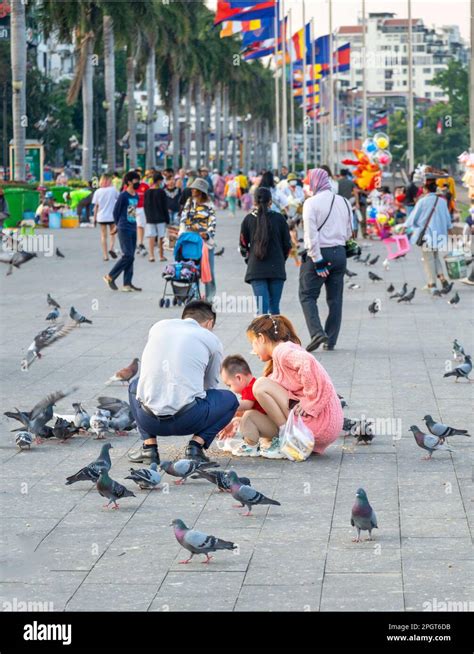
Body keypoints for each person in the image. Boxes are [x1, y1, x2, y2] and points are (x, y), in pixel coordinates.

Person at [127, 300, 239, 465]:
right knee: (230, 400)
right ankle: (195, 447)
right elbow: (210, 386)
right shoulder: (211, 339)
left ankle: (149, 448)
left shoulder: (158, 327)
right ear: (210, 323)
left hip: (148, 419)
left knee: (135, 386)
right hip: (188, 420)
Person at [240, 314, 343, 459]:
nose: (253, 350)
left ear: (261, 338)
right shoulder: (284, 353)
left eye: (253, 343)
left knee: (260, 385)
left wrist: (309, 401)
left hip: (319, 420)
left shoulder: (282, 351)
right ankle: (285, 437)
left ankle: (287, 439)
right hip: (325, 425)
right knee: (250, 414)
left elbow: (307, 363)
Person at [299, 168, 353, 352]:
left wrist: (317, 258)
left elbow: (310, 235)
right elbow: (348, 233)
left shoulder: (311, 203)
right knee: (335, 299)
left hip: (320, 254)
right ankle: (331, 340)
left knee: (307, 295)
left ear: (314, 182)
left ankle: (316, 332)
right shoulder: (344, 202)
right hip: (340, 254)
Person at [240, 187, 291, 315]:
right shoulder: (280, 219)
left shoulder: (248, 220)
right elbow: (287, 245)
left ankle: (261, 335)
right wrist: (281, 258)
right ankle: (275, 334)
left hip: (256, 268)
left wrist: (249, 258)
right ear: (270, 202)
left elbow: (242, 245)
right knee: (274, 309)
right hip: (277, 268)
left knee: (262, 310)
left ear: (254, 202)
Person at [404, 178, 452, 294]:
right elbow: (447, 219)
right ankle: (442, 278)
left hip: (427, 235)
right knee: (435, 256)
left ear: (426, 189)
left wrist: (405, 226)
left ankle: (432, 284)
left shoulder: (423, 201)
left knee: (428, 259)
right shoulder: (442, 201)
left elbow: (413, 217)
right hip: (438, 235)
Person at [219, 354, 267, 457]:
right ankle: (251, 441)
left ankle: (251, 445)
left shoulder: (251, 387)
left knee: (248, 415)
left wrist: (226, 404)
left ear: (239, 378)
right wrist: (233, 420)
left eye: (229, 385)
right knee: (244, 415)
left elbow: (246, 405)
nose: (230, 389)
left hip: (271, 427)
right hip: (268, 424)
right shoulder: (252, 385)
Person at [103, 170, 141, 292]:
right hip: (124, 228)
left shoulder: (135, 195)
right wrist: (117, 226)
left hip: (132, 227)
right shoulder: (123, 196)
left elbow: (131, 212)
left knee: (131, 256)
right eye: (136, 180)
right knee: (128, 255)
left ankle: (127, 283)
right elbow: (116, 212)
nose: (138, 182)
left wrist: (133, 224)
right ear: (129, 182)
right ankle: (110, 276)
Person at [179, 178, 217, 302]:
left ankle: (209, 297)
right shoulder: (189, 202)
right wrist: (182, 235)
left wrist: (208, 234)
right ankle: (192, 295)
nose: (192, 190)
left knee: (208, 270)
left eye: (195, 189)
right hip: (190, 239)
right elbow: (183, 219)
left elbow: (212, 221)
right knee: (191, 268)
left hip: (205, 241)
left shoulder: (209, 204)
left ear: (201, 191)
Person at [92, 173, 119, 261]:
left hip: (101, 217)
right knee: (113, 234)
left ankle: (105, 255)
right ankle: (111, 248)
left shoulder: (98, 192)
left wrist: (94, 219)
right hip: (111, 216)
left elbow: (96, 206)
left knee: (103, 236)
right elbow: (119, 199)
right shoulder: (113, 190)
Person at [144, 172, 169, 262]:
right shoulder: (162, 192)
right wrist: (167, 219)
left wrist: (147, 217)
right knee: (161, 237)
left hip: (150, 218)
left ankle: (151, 256)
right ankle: (161, 255)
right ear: (159, 181)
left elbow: (145, 205)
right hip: (161, 217)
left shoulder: (147, 192)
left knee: (151, 236)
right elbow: (164, 207)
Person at [134, 170, 149, 255]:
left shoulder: (145, 186)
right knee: (132, 225)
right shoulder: (129, 186)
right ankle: (134, 243)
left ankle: (140, 243)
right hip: (131, 208)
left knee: (140, 226)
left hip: (142, 208)